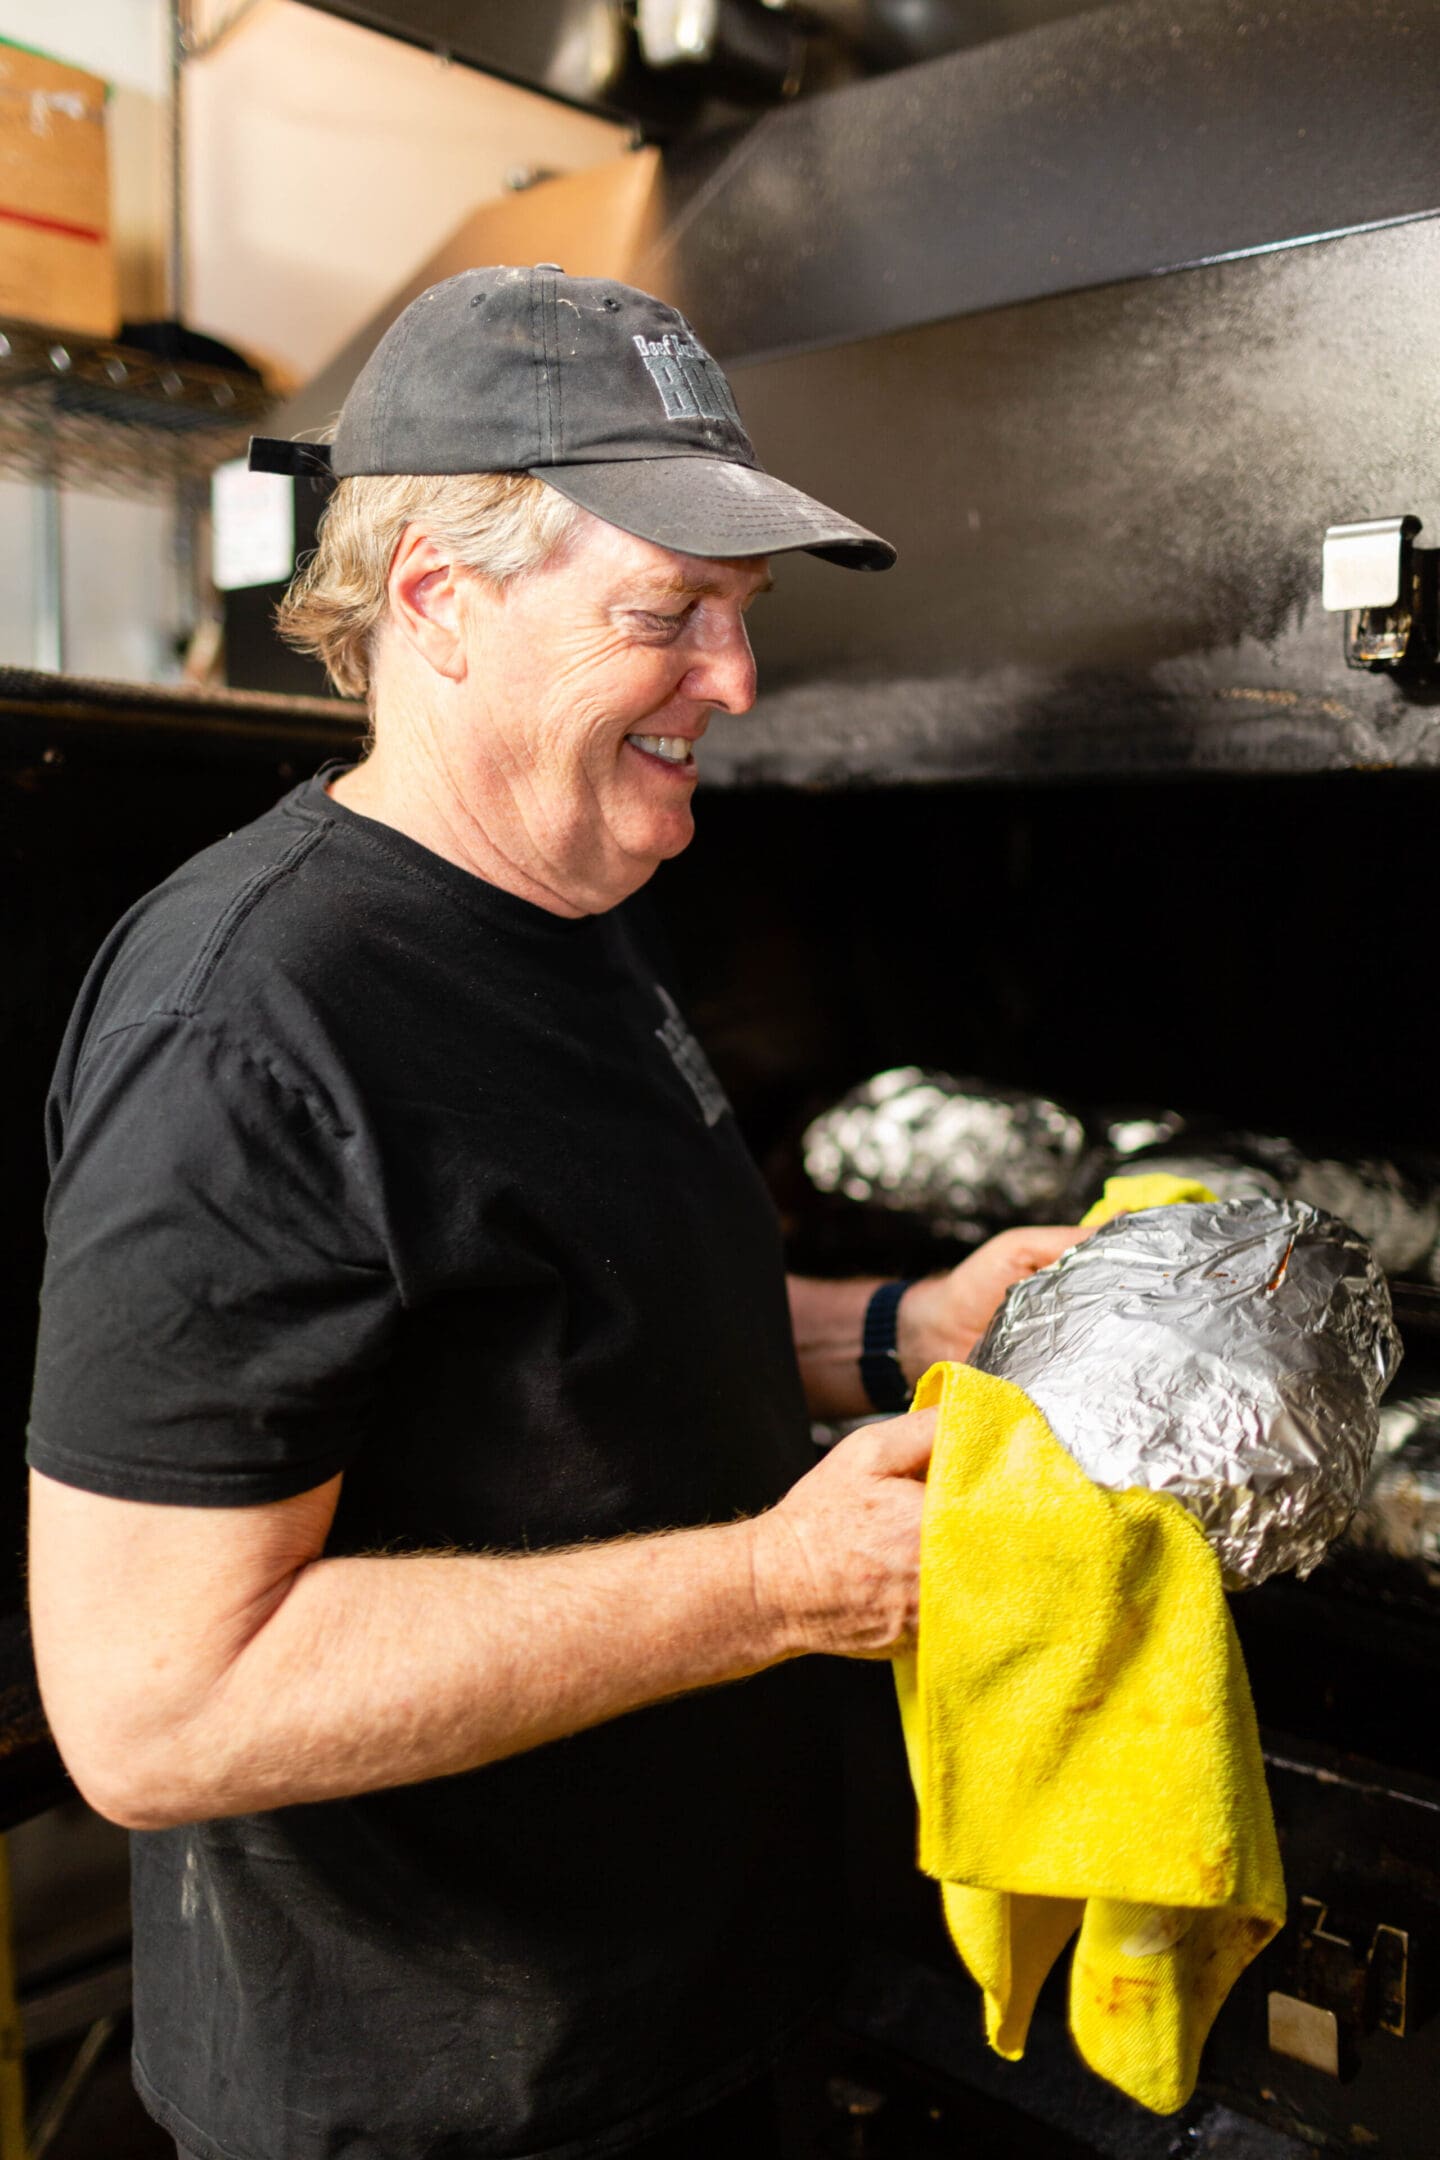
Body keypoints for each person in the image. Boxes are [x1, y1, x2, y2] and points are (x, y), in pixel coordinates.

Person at [26, 267, 1077, 2160]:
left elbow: (575, 1337)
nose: (736, 684)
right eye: (669, 613)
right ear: (438, 598)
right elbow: (158, 1709)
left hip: (690, 2018)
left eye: (739, 622)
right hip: (438, 2106)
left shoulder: (578, 903)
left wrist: (898, 1332)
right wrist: (769, 1587)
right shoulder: (252, 1022)